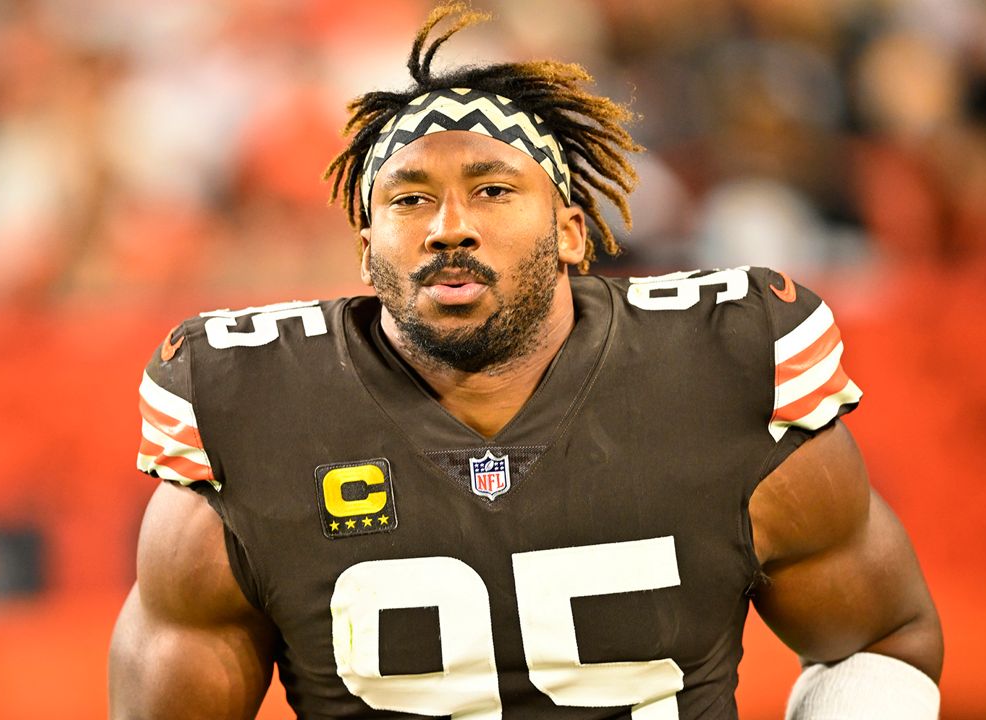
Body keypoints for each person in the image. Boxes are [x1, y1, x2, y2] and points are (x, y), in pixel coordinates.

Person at [108, 4, 943, 718]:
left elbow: (882, 640)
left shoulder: (721, 372)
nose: (448, 226)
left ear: (573, 233)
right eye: (408, 198)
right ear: (366, 252)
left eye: (494, 189)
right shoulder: (249, 413)